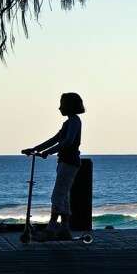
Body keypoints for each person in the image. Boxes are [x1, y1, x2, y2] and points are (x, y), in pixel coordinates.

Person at [20, 92, 85, 242]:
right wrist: (35, 149)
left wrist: (48, 152)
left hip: (69, 162)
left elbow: (68, 142)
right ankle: (64, 229)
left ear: (70, 106)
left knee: (57, 196)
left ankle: (50, 229)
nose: (59, 108)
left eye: (62, 104)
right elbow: (56, 139)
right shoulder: (69, 122)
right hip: (65, 162)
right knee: (63, 197)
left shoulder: (74, 121)